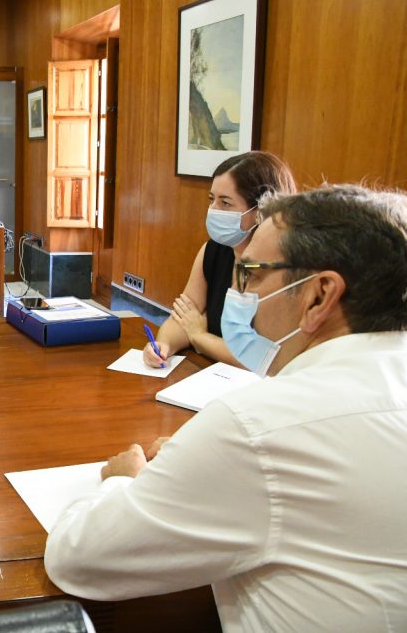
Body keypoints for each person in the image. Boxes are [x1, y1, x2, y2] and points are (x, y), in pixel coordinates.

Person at [45, 184, 407, 631]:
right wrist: (204, 459)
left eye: (250, 274)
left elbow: (78, 559)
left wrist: (123, 480)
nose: (237, 293)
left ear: (318, 296)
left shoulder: (259, 426)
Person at [143, 151, 296, 368]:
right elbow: (182, 317)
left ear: (260, 211)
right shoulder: (213, 250)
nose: (213, 210)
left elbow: (259, 357)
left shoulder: (281, 268)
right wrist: (163, 346)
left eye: (225, 203)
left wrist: (199, 336)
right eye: (211, 199)